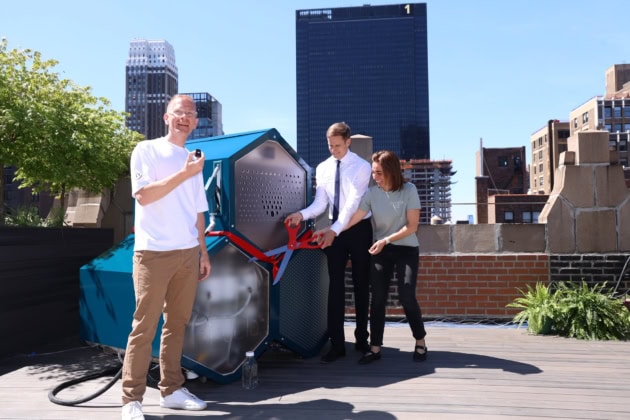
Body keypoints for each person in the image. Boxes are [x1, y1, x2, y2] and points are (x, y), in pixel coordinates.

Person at [122, 94, 211, 420]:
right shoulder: (146, 150)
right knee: (144, 327)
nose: (184, 117)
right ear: (166, 117)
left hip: (187, 253)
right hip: (153, 253)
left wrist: (202, 252)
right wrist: (185, 173)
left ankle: (172, 390)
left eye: (190, 113)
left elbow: (198, 211)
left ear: (196, 122)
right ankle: (131, 400)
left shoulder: (193, 160)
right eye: (179, 112)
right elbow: (144, 196)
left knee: (176, 324)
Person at [285, 122, 372, 363]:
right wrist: (301, 215)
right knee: (335, 287)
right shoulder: (323, 168)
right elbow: (320, 204)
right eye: (330, 145)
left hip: (358, 228)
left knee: (361, 284)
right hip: (335, 229)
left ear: (348, 142)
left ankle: (362, 340)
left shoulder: (362, 167)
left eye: (338, 146)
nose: (333, 150)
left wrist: (334, 230)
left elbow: (352, 203)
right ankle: (337, 345)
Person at [346, 150, 428, 365]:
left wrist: (386, 239)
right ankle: (375, 348)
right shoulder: (372, 194)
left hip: (406, 249)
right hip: (382, 251)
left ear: (392, 171)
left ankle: (420, 340)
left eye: (379, 173)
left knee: (406, 295)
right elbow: (354, 218)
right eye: (374, 173)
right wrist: (332, 231)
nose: (375, 177)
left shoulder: (409, 190)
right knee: (378, 298)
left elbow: (412, 227)